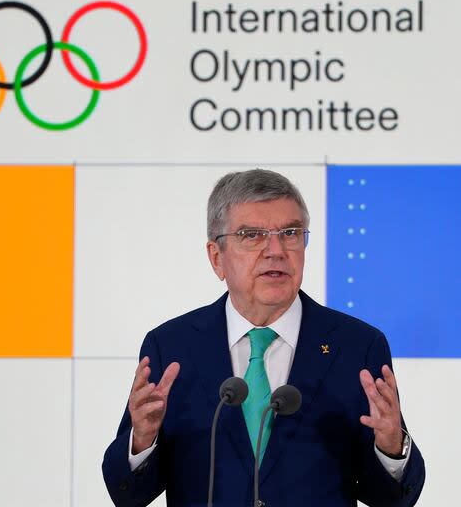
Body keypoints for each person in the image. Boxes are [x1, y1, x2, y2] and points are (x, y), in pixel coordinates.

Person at [102, 169, 425, 506]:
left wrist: (391, 447)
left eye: (290, 233)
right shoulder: (171, 347)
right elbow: (128, 494)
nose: (276, 250)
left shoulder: (358, 346)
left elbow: (392, 500)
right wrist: (142, 439)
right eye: (252, 235)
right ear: (217, 258)